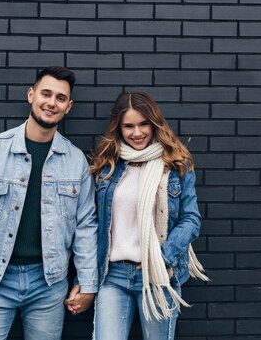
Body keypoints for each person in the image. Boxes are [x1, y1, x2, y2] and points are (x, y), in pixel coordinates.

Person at [0, 66, 97, 340]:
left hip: (49, 284)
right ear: (31, 95)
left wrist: (87, 283)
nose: (51, 103)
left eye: (60, 98)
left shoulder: (76, 161)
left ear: (69, 107)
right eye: (46, 93)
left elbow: (86, 226)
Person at [90, 91, 209, 340]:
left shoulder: (176, 164)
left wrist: (161, 256)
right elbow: (92, 223)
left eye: (144, 123)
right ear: (118, 128)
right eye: (128, 126)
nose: (137, 132)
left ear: (155, 123)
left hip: (158, 275)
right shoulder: (107, 165)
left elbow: (191, 219)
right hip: (113, 276)